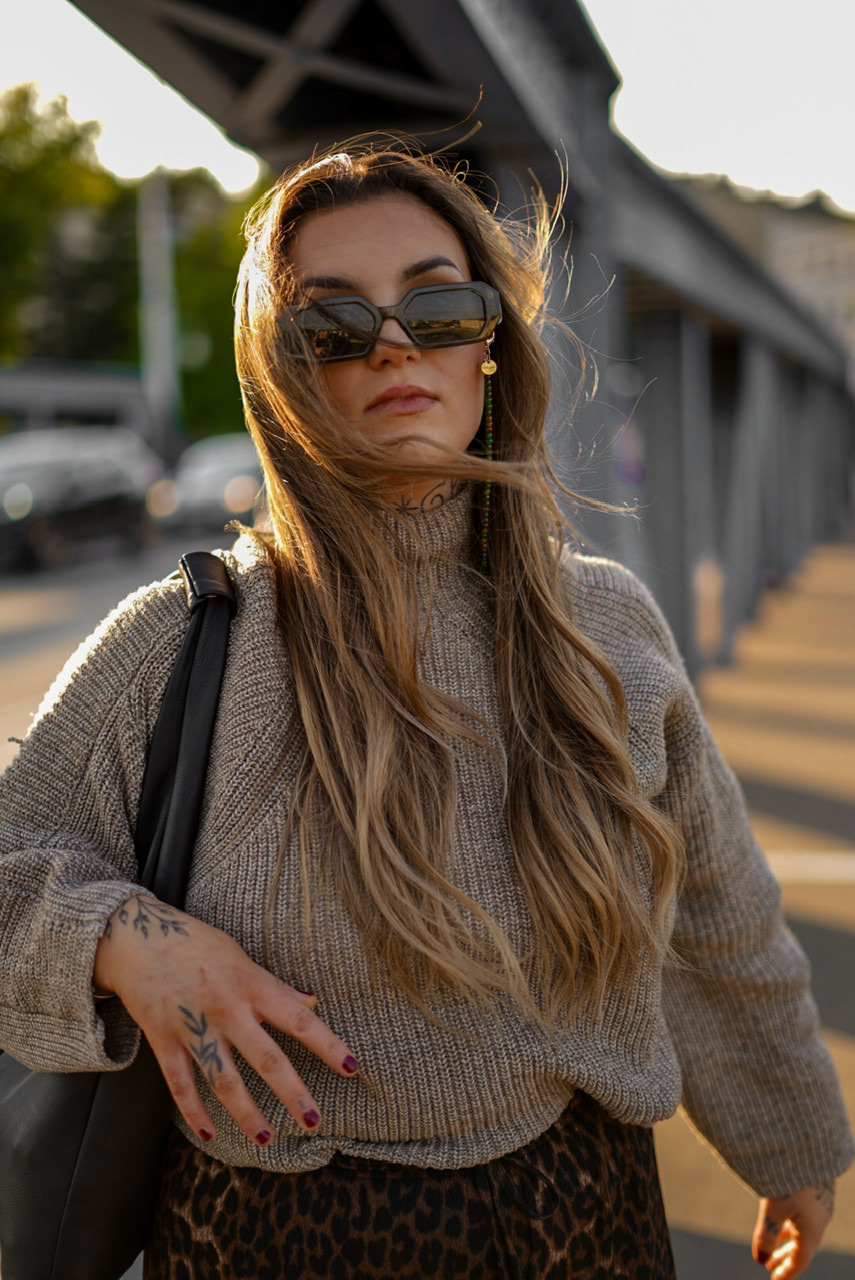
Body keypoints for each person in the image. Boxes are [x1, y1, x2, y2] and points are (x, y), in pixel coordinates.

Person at [0, 143, 852, 1280]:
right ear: (282, 372)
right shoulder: (183, 641)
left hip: (590, 1231)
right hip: (273, 1244)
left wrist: (792, 1142)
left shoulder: (608, 625)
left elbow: (718, 913)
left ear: (490, 341)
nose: (394, 346)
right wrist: (125, 942)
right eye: (333, 324)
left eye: (438, 308)